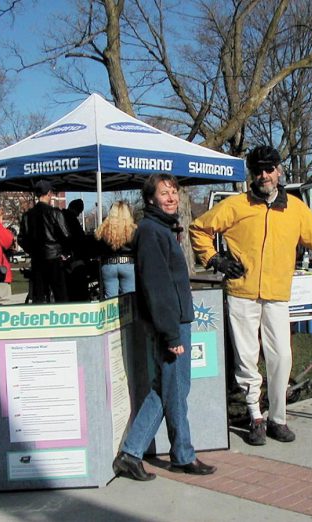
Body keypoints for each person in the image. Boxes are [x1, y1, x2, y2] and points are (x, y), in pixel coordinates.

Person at [190, 145, 312, 446]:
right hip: (242, 293)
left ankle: (278, 418)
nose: (264, 175)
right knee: (246, 359)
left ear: (278, 171)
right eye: (258, 170)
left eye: (269, 169)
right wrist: (215, 259)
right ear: (252, 174)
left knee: (282, 357)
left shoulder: (295, 209)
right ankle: (255, 417)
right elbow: (199, 228)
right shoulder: (236, 205)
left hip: (277, 294)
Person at [113, 174, 216, 481]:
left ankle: (174, 453)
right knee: (171, 388)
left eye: (173, 192)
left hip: (178, 321)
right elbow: (157, 288)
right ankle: (140, 453)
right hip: (170, 325)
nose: (171, 198)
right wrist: (170, 334)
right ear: (150, 200)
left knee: (172, 388)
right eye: (164, 193)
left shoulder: (163, 229)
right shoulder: (150, 231)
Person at [17, 180, 71, 303]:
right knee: (60, 294)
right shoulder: (54, 213)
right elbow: (66, 235)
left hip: (37, 259)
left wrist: (32, 250)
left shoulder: (27, 215)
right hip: (54, 258)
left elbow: (21, 238)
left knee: (39, 295)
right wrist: (65, 252)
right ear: (49, 193)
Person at [94, 200, 136, 298]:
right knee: (129, 300)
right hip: (128, 264)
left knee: (110, 300)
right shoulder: (133, 229)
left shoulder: (103, 229)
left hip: (108, 264)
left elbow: (98, 247)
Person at [64, 199, 91, 301]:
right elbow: (79, 239)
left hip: (67, 257)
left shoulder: (62, 217)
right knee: (79, 287)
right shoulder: (72, 220)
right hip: (74, 258)